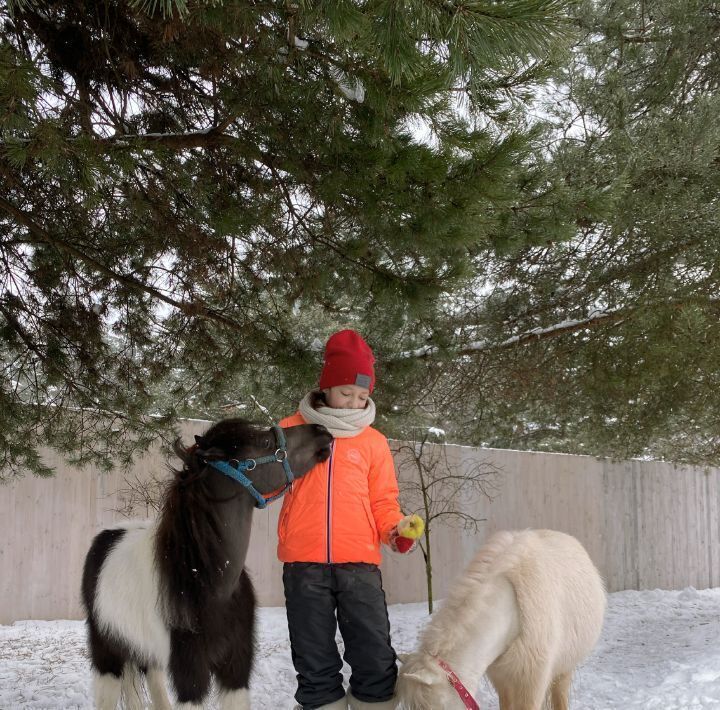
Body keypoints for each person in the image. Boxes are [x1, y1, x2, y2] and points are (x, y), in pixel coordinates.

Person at [278, 329, 424, 710]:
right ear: (325, 387)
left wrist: (396, 531)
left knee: (374, 654)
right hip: (304, 563)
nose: (354, 403)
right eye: (346, 392)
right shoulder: (292, 429)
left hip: (359, 563)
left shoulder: (373, 441)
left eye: (362, 396)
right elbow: (267, 484)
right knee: (313, 657)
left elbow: (383, 500)